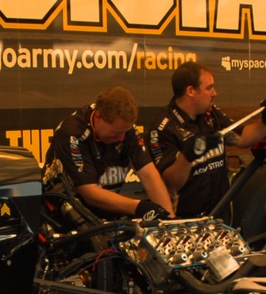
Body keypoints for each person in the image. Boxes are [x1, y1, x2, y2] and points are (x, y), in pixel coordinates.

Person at [149, 61, 266, 219]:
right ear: (190, 91)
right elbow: (170, 185)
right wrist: (187, 157)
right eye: (209, 87)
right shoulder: (163, 127)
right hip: (185, 222)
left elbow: (244, 138)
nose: (214, 93)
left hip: (220, 215)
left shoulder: (212, 115)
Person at [43, 86, 174, 221]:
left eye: (125, 132)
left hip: (106, 215)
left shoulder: (125, 129)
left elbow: (149, 174)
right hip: (67, 218)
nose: (122, 138)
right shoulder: (72, 133)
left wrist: (169, 219)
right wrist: (138, 207)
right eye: (116, 133)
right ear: (98, 117)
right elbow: (89, 192)